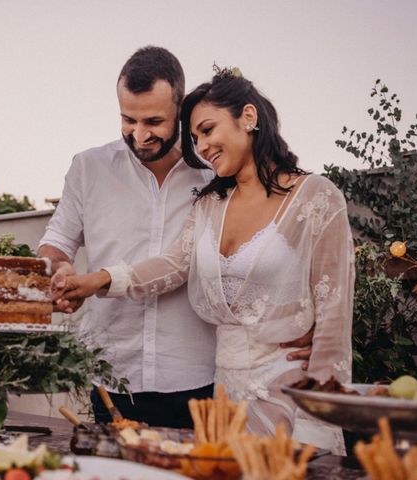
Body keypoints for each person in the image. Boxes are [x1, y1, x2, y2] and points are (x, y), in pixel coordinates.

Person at [53, 67, 354, 454]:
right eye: (195, 138)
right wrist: (98, 280)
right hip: (224, 400)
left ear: (249, 117)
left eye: (208, 130)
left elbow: (334, 313)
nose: (202, 146)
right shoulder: (211, 203)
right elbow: (173, 265)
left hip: (291, 394)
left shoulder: (317, 197)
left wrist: (319, 416)